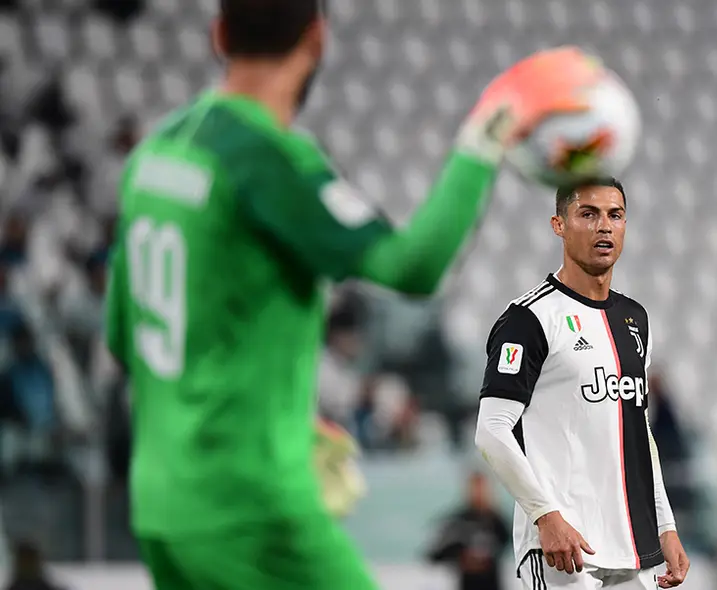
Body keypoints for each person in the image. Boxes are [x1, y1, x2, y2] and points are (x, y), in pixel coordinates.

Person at [102, 0, 606, 587]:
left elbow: (126, 336)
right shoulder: (269, 159)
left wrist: (285, 423)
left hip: (161, 507)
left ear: (218, 35)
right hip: (251, 506)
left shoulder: (155, 154)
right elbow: (413, 265)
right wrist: (486, 135)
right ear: (317, 39)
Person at [474, 178, 691, 589]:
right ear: (559, 224)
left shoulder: (634, 318)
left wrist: (665, 524)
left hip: (631, 545)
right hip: (564, 547)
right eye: (588, 214)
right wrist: (546, 516)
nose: (604, 226)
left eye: (615, 215)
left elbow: (638, 432)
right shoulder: (529, 319)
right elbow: (491, 430)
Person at [426, 472, 510, 590]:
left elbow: (509, 547)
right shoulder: (458, 521)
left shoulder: (497, 521)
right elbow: (434, 554)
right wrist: (460, 557)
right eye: (476, 488)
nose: (479, 493)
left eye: (482, 488)